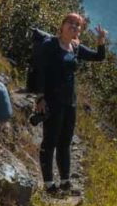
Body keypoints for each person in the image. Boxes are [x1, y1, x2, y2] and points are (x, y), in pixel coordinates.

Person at [34, 13, 108, 195]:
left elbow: (99, 57)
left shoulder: (75, 47)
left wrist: (100, 40)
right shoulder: (50, 45)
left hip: (70, 103)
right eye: (71, 23)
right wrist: (40, 98)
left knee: (65, 142)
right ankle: (49, 184)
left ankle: (65, 182)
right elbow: (39, 71)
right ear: (62, 25)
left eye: (78, 25)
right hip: (52, 101)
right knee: (50, 141)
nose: (74, 27)